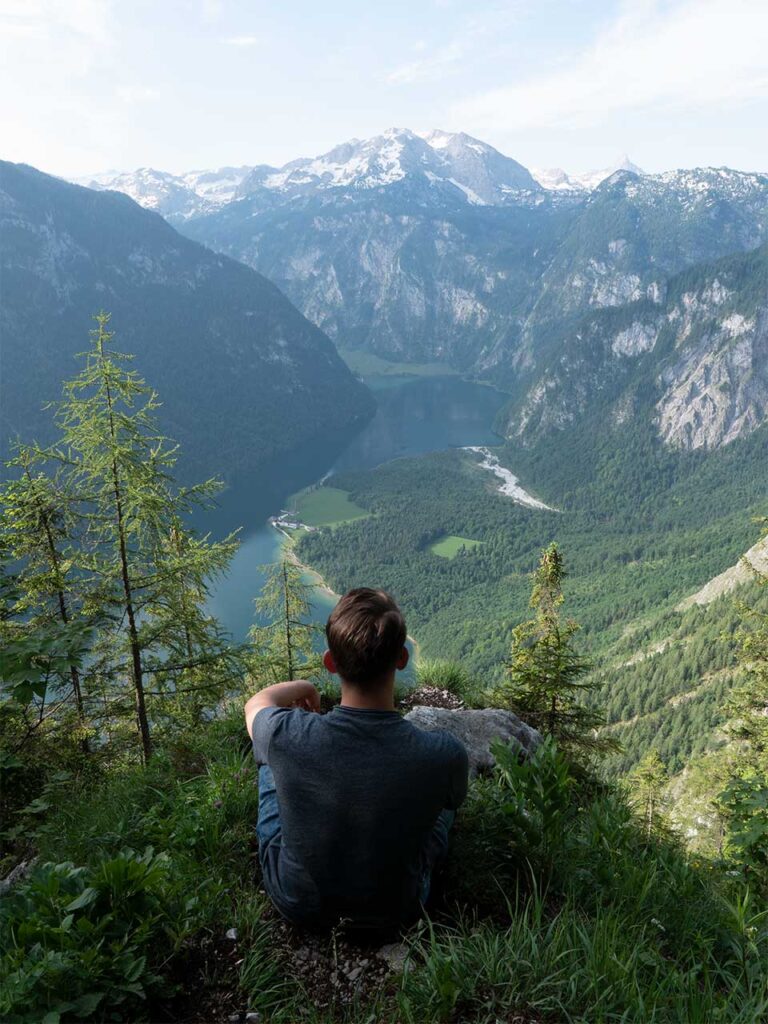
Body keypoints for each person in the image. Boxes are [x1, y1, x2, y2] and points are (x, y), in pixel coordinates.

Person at [244, 587, 469, 932]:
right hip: (397, 911)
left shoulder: (287, 734)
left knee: (271, 765)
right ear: (401, 659)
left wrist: (306, 687)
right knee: (442, 805)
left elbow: (256, 704)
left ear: (330, 663)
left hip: (298, 900)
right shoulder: (444, 753)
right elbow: (454, 799)